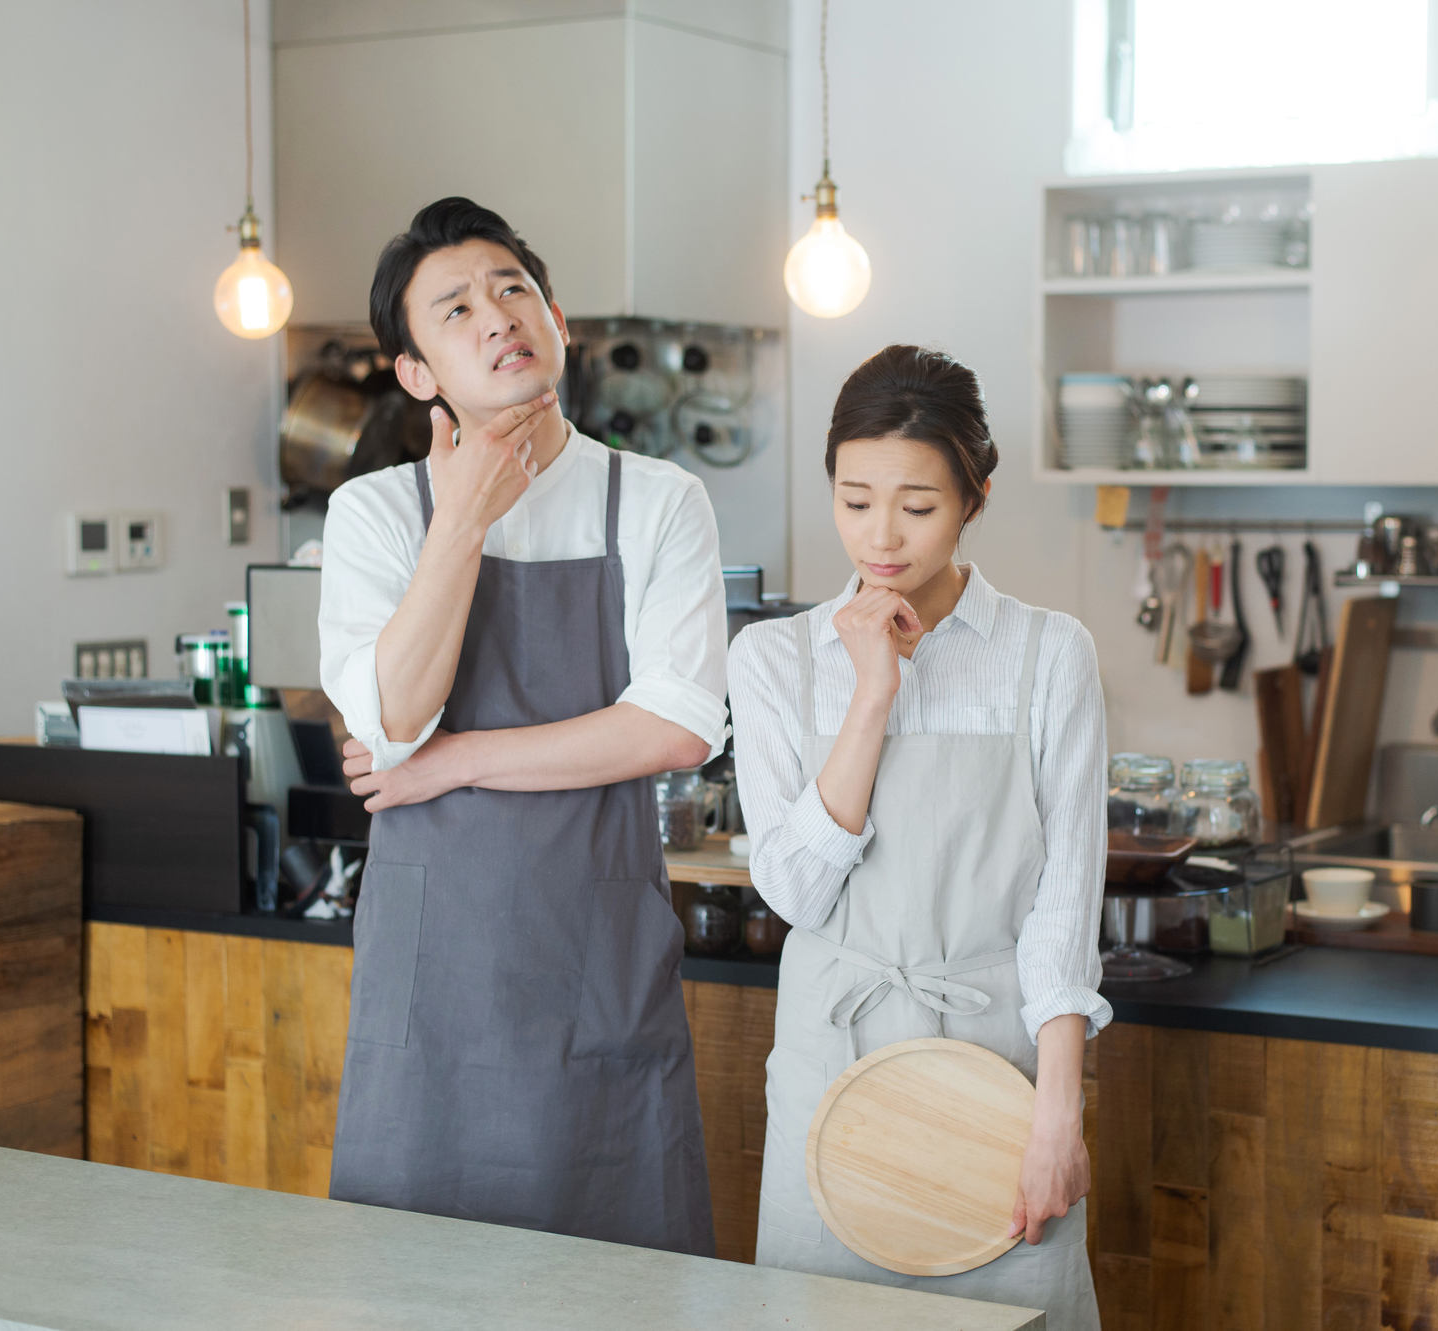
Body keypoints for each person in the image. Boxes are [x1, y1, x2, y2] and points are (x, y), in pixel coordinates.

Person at [317, 198, 724, 1254]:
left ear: (556, 319)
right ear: (416, 372)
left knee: (618, 1291)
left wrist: (455, 761)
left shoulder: (656, 499)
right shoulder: (374, 514)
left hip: (598, 963)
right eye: (454, 308)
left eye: (511, 288)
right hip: (431, 983)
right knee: (414, 1288)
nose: (496, 315)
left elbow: (677, 725)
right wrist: (461, 517)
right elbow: (390, 721)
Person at [728, 345, 1107, 1329]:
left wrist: (1057, 1115)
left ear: (975, 496)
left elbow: (1062, 903)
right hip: (831, 1070)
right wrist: (872, 691)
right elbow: (796, 893)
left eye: (917, 504)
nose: (880, 535)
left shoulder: (1046, 652)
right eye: (854, 500)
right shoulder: (774, 658)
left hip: (995, 1077)